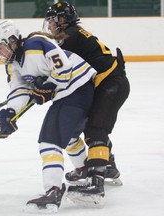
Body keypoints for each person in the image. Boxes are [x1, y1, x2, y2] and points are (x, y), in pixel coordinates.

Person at [0, 20, 97, 212]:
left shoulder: (35, 44)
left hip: (77, 89)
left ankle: (53, 192)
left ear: (12, 40)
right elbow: (20, 91)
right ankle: (85, 169)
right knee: (69, 137)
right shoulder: (13, 65)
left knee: (49, 142)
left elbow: (63, 67)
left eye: (3, 48)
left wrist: (50, 86)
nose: (2, 53)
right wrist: (10, 113)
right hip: (74, 94)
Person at [43, 1, 130, 205]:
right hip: (109, 82)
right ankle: (108, 167)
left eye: (53, 21)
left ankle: (95, 182)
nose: (50, 26)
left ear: (63, 20)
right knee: (91, 125)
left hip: (111, 82)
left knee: (95, 129)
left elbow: (58, 70)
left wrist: (42, 84)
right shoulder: (73, 33)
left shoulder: (69, 37)